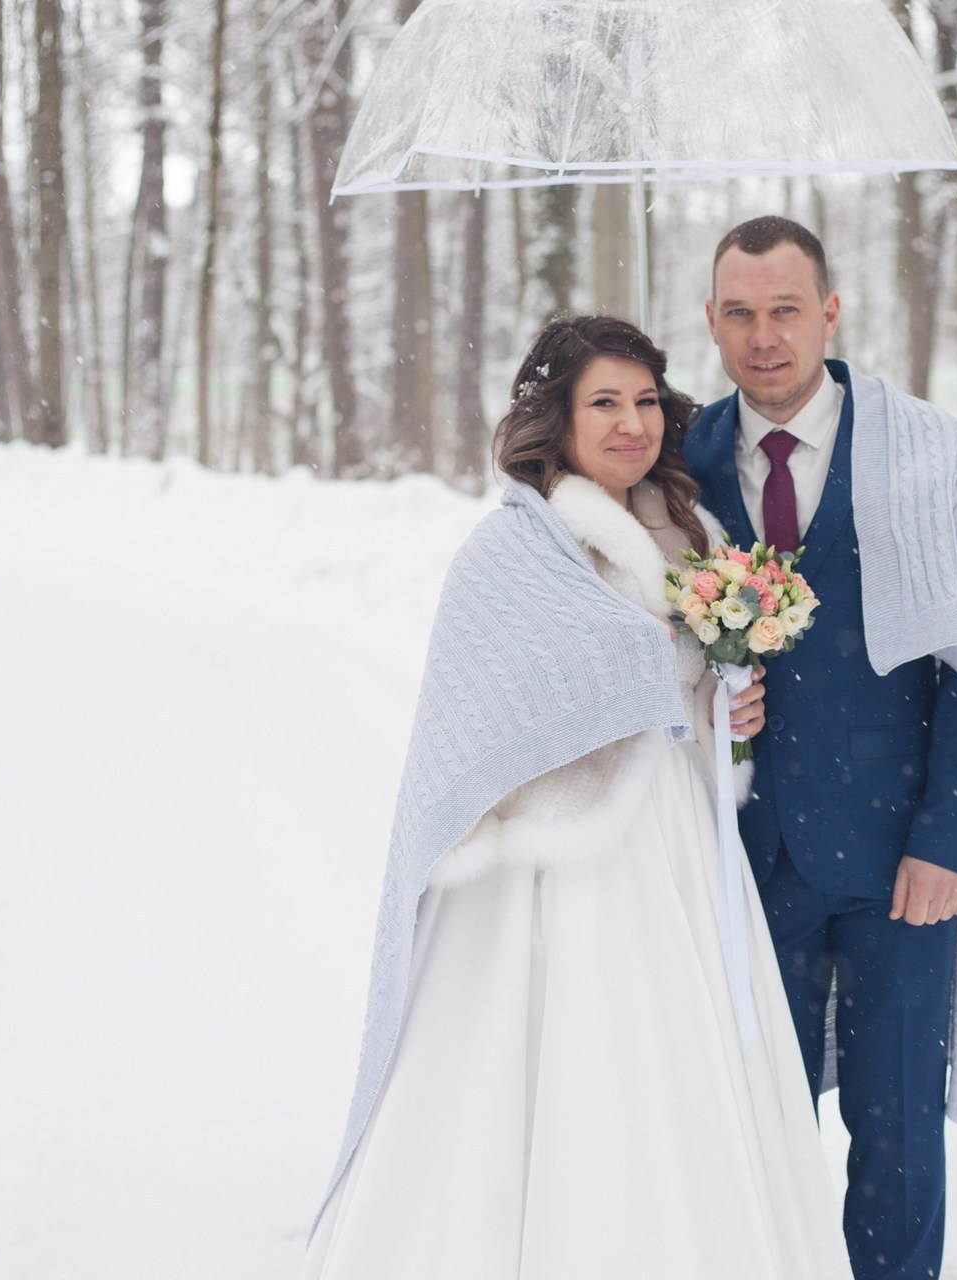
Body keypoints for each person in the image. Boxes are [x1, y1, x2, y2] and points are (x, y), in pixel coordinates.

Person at [302, 315, 850, 1279]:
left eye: (645, 400)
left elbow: (679, 697)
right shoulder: (514, 549)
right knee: (548, 1068)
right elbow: (515, 700)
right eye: (604, 402)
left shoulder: (693, 533)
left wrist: (732, 699)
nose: (631, 423)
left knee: (679, 1067)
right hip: (550, 853)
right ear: (554, 421)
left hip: (673, 836)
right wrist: (683, 657)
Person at [684, 216, 957, 1280]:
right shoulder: (680, 458)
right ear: (711, 320)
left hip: (901, 857)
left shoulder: (930, 451)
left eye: (785, 309)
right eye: (741, 313)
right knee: (755, 1120)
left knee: (896, 1137)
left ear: (829, 312)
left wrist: (948, 841)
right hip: (741, 858)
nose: (764, 336)